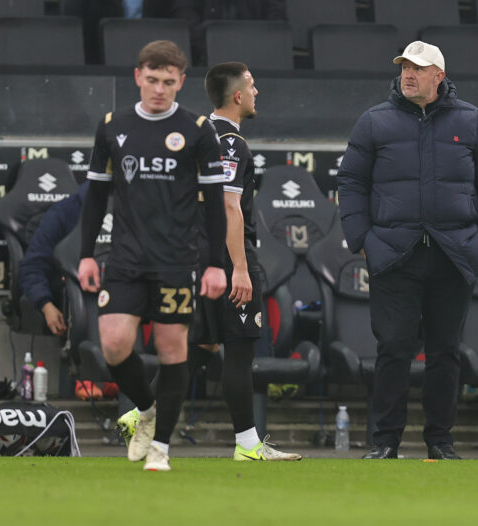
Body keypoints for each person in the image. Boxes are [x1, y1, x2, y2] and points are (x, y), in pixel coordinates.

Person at [337, 40, 478, 460]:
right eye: (405, 67)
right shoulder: (374, 121)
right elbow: (351, 182)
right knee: (393, 347)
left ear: (439, 76)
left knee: (445, 352)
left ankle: (440, 442)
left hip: (454, 253)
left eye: (419, 67)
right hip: (394, 254)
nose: (408, 73)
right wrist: (361, 240)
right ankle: (384, 442)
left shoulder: (471, 121)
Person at [78, 40, 228, 472]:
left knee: (170, 348)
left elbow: (215, 204)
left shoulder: (199, 130)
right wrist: (87, 255)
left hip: (174, 261)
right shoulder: (112, 126)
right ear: (137, 77)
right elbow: (96, 196)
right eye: (151, 79)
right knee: (114, 345)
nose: (159, 89)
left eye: (168, 81)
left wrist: (215, 263)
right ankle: (147, 411)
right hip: (124, 259)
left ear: (180, 82)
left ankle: (161, 447)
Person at [190, 61, 300, 461]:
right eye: (252, 86)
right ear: (237, 96)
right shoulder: (230, 142)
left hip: (198, 257)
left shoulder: (196, 135)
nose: (257, 92)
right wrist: (239, 267)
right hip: (227, 257)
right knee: (238, 348)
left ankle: (141, 410)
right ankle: (248, 445)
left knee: (201, 343)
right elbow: (230, 207)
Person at [19, 181, 88, 336]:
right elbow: (33, 266)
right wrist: (46, 305)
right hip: (79, 299)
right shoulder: (64, 212)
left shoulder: (134, 210)